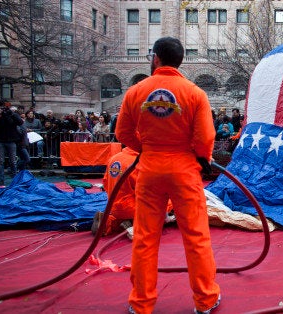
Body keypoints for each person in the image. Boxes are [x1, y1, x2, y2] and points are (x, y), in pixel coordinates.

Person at [115, 37, 220, 314]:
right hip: (184, 170)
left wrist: (145, 148)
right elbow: (206, 136)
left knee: (145, 237)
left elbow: (122, 134)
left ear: (155, 58)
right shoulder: (195, 93)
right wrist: (201, 156)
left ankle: (141, 303)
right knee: (196, 235)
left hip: (149, 169)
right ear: (180, 61)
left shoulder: (137, 91)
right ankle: (206, 300)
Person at [92, 146, 175, 239]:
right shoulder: (139, 162)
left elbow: (105, 183)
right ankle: (136, 226)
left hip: (113, 206)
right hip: (131, 207)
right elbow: (150, 192)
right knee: (169, 203)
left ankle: (109, 222)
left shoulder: (114, 158)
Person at [0, 101, 24, 185]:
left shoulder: (12, 114)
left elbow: (20, 122)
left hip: (11, 140)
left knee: (13, 161)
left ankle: (15, 178)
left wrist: (11, 114)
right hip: (0, 140)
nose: (3, 109)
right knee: (0, 161)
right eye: (1, 107)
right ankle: (1, 179)